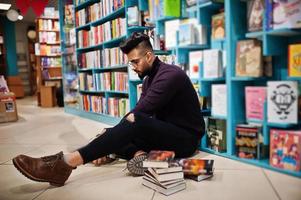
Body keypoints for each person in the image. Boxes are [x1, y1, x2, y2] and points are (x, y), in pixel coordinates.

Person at [12, 32, 205, 187]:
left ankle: (66, 163)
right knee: (115, 133)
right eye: (131, 63)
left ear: (149, 55)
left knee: (129, 126)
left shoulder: (170, 75)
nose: (134, 67)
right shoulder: (149, 79)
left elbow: (137, 115)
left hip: (186, 139)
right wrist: (108, 135)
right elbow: (136, 115)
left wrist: (109, 138)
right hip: (165, 133)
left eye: (135, 62)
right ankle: (139, 156)